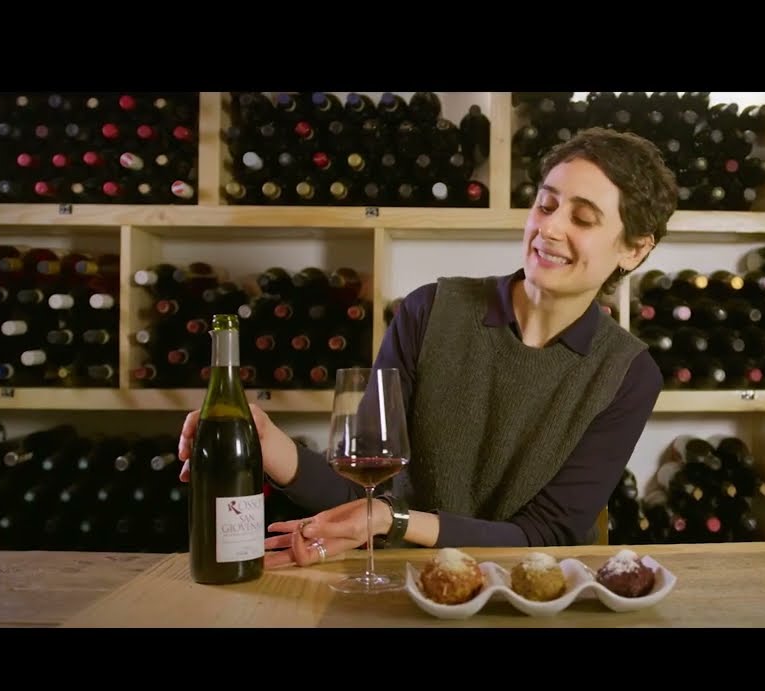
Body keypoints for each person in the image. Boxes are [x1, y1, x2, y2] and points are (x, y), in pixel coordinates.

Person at [177, 126, 680, 568]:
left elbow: (547, 536)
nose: (548, 228)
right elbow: (361, 488)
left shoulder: (627, 374)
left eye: (584, 219)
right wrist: (271, 445)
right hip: (406, 585)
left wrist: (394, 520)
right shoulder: (429, 312)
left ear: (634, 249)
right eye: (546, 205)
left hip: (529, 598)